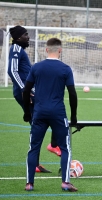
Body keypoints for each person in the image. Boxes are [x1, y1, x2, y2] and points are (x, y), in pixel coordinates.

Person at [22, 37, 78, 191]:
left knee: (34, 148)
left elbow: (26, 91)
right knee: (65, 148)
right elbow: (72, 94)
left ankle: (29, 183)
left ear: (46, 50)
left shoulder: (36, 67)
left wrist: (27, 112)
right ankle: (65, 182)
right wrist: (74, 116)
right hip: (58, 113)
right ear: (60, 51)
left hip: (39, 113)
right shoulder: (65, 69)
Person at [7, 25, 61, 173]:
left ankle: (36, 163)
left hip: (28, 92)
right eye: (25, 34)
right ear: (18, 38)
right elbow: (12, 70)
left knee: (36, 125)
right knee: (54, 111)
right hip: (27, 93)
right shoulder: (16, 49)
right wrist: (27, 90)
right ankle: (54, 144)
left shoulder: (20, 50)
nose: (28, 37)